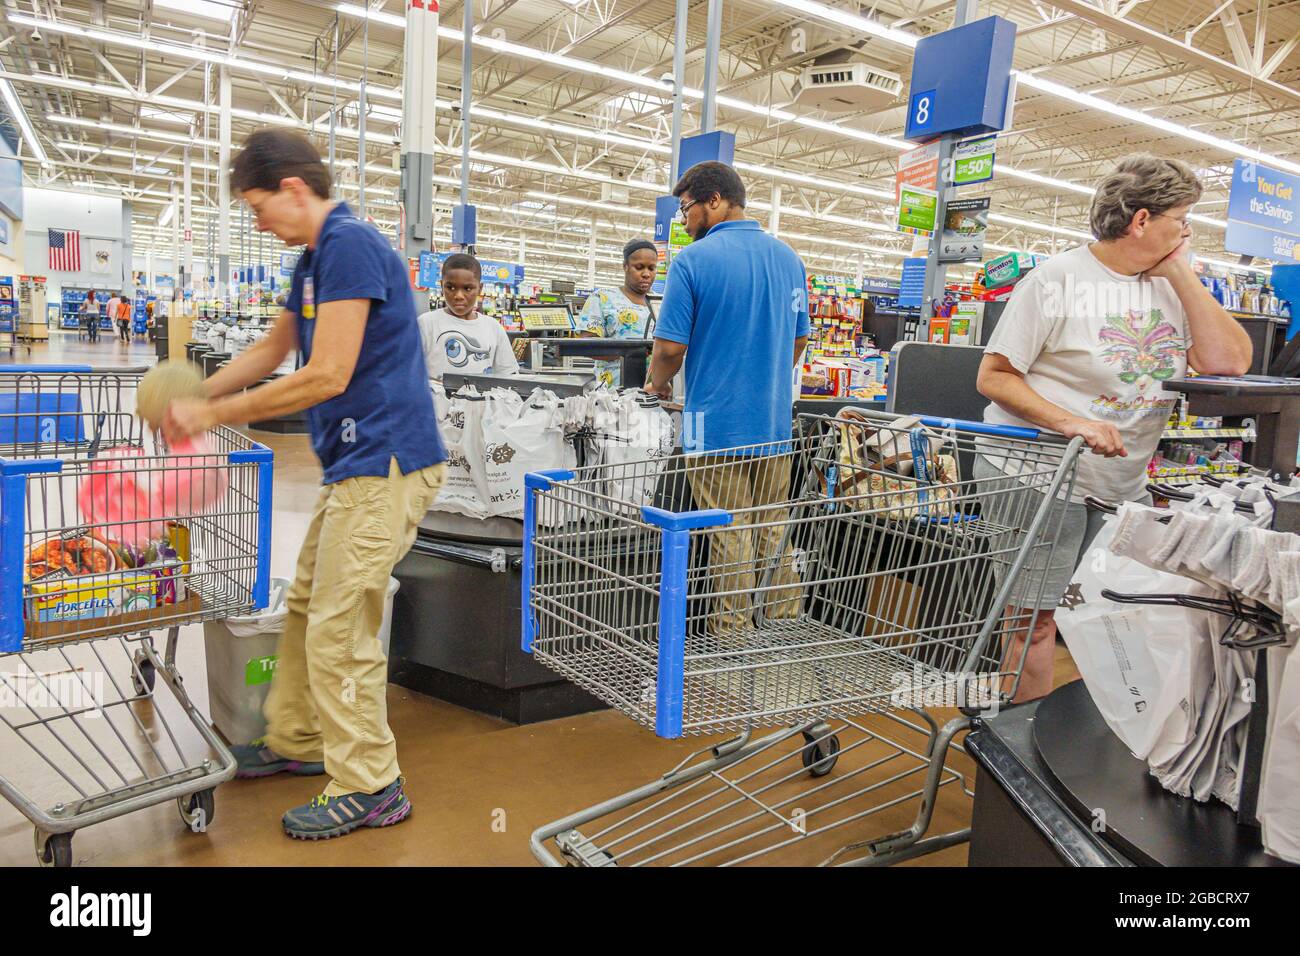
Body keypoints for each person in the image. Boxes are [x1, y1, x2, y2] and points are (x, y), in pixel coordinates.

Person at [163, 129, 449, 840]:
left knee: (338, 629)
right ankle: (303, 738)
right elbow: (273, 347)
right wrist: (193, 394)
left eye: (259, 207)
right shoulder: (315, 259)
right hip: (355, 465)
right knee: (305, 607)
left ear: (294, 188)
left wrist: (215, 413)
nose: (259, 223)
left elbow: (327, 374)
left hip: (387, 462)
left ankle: (371, 782)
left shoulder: (350, 244)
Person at [976, 153, 1253, 703]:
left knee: (1110, 614)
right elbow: (995, 376)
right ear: (1143, 220)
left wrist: (1179, 272)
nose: (1189, 230)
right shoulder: (1057, 280)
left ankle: (1096, 740)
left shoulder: (1172, 287)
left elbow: (1230, 362)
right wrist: (1072, 422)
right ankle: (1019, 753)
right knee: (1033, 621)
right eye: (1182, 218)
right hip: (1037, 476)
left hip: (1121, 485)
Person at [647, 161, 810, 633]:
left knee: (730, 528)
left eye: (686, 209)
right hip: (774, 423)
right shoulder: (788, 259)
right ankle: (783, 627)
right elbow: (799, 341)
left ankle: (733, 637)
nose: (684, 220)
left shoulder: (692, 262)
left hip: (707, 423)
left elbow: (671, 348)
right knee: (772, 526)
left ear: (714, 200)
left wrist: (656, 385)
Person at [416, 253, 519, 382]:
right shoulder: (426, 324)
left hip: (480, 402)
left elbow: (507, 376)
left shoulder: (493, 328)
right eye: (451, 287)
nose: (459, 295)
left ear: (480, 289)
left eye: (468, 288)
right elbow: (408, 372)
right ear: (442, 286)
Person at [577, 239, 658, 338]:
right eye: (639, 267)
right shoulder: (601, 298)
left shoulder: (660, 303)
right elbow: (588, 344)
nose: (646, 274)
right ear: (625, 266)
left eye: (651, 268)